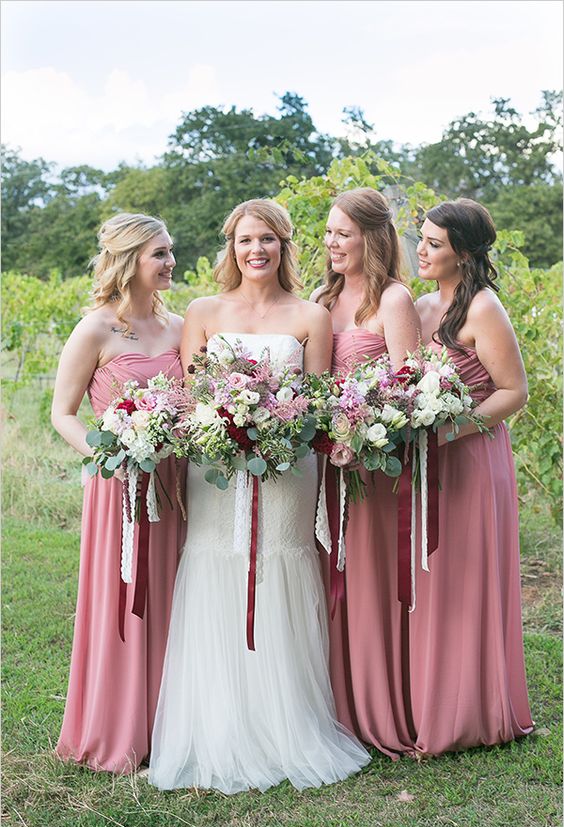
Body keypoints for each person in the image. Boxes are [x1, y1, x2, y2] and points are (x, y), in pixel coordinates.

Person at [149, 198, 370, 793]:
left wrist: (279, 431)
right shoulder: (203, 310)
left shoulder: (310, 317)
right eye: (246, 240)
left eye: (268, 240)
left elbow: (319, 403)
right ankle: (218, 724)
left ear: (284, 248)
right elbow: (195, 396)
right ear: (231, 247)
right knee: (215, 566)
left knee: (280, 568)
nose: (256, 251)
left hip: (287, 469)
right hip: (216, 467)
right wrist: (225, 423)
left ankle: (285, 725)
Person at [52, 212, 186, 773]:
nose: (171, 261)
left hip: (176, 485)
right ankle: (118, 727)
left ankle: (173, 721)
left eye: (171, 250)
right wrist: (109, 453)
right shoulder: (95, 330)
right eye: (160, 253)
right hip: (118, 489)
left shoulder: (180, 327)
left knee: (177, 595)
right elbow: (64, 415)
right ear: (130, 259)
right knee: (122, 600)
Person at [410, 197, 533, 755]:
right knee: (431, 579)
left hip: (473, 457)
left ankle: (474, 708)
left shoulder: (481, 307)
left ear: (463, 253)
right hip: (426, 460)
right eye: (422, 238)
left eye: (434, 244)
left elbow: (514, 391)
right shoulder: (418, 306)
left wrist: (451, 430)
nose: (421, 249)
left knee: (466, 578)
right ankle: (428, 699)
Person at [311, 187, 421, 760]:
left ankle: (375, 707)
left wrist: (359, 434)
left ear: (372, 238)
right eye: (328, 232)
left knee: (369, 582)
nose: (331, 243)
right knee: (328, 579)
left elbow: (408, 386)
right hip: (321, 468)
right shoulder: (321, 296)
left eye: (342, 233)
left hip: (371, 470)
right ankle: (330, 704)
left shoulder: (395, 300)